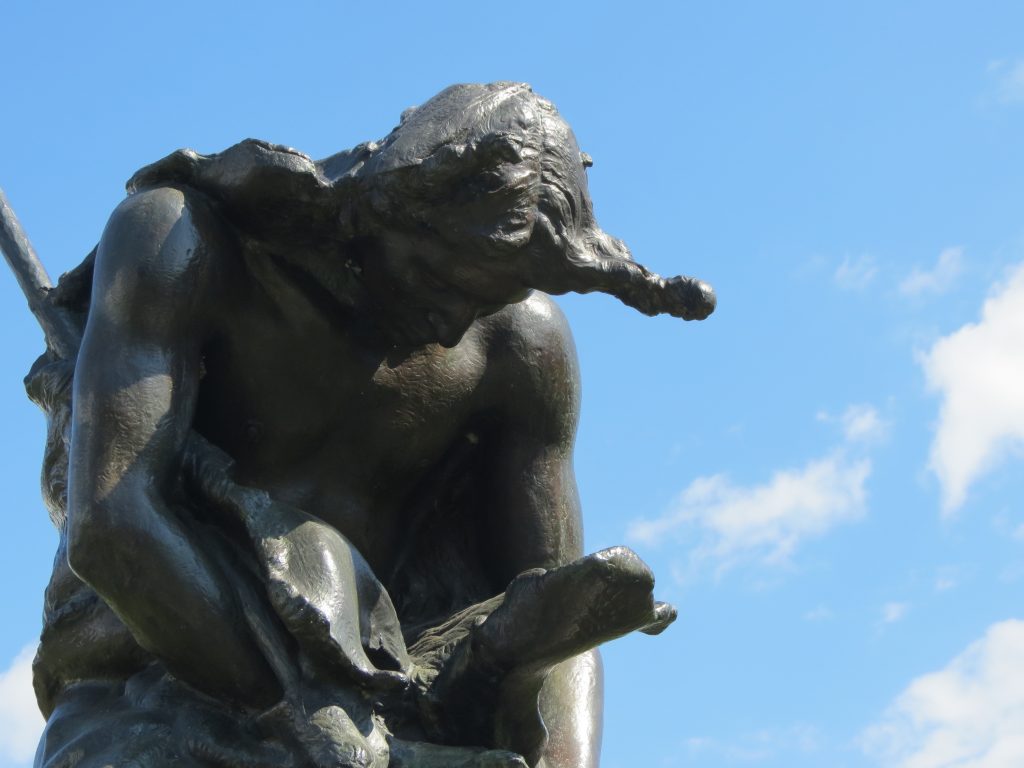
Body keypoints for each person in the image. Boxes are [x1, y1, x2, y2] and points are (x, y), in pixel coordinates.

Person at [32, 82, 714, 768]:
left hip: (401, 697)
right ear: (391, 208)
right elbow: (114, 523)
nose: (454, 325)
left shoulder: (521, 344)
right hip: (157, 675)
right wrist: (302, 712)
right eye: (441, 283)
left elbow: (564, 622)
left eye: (488, 301)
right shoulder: (183, 239)